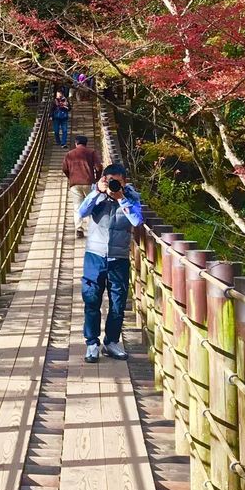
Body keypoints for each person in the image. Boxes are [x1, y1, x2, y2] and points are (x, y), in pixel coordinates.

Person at [76, 162, 144, 363]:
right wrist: (98, 191)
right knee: (91, 299)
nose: (114, 184)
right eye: (110, 180)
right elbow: (81, 212)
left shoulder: (131, 197)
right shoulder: (96, 194)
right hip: (95, 255)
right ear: (104, 179)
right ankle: (91, 344)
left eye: (118, 181)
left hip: (119, 256)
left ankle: (112, 342)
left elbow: (137, 221)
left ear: (125, 181)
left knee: (118, 302)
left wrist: (121, 198)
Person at [62, 135, 101, 238]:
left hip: (75, 184)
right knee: (91, 205)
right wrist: (97, 178)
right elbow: (98, 167)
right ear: (86, 143)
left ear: (76, 143)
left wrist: (70, 177)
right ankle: (91, 228)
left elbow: (64, 169)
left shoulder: (69, 154)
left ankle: (79, 228)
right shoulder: (91, 152)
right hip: (89, 182)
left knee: (77, 207)